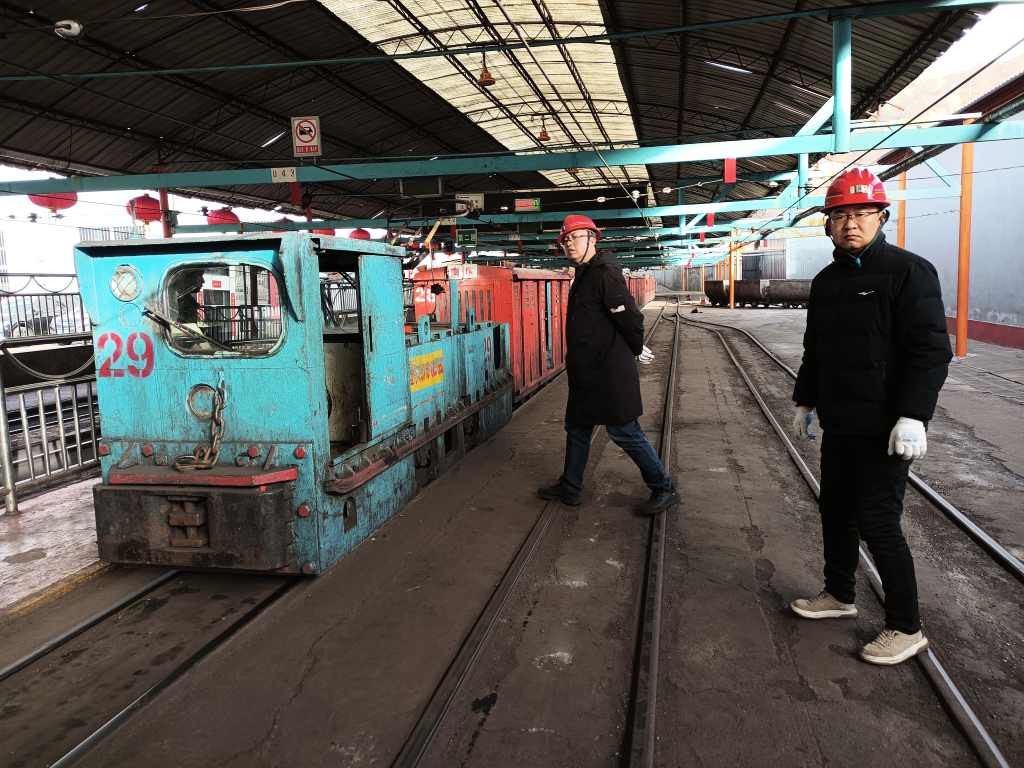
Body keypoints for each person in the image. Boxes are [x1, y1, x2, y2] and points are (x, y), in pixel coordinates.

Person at [790, 167, 952, 666]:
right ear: (828, 224)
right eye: (841, 215)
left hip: (886, 428)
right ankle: (839, 593)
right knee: (835, 510)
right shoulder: (826, 282)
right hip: (841, 421)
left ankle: (906, 626)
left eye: (862, 213)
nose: (851, 223)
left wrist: (913, 415)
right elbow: (816, 348)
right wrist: (805, 400)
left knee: (879, 522)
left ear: (882, 217)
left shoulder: (910, 272)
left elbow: (929, 350)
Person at [537, 214, 678, 515]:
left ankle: (663, 486)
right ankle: (570, 487)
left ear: (592, 238)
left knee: (624, 431)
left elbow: (631, 318)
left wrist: (636, 348)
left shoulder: (605, 273)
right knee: (577, 428)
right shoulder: (583, 274)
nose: (568, 244)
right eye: (565, 240)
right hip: (586, 372)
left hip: (608, 372)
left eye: (574, 237)